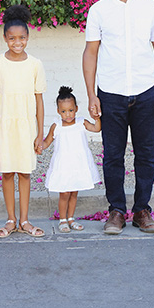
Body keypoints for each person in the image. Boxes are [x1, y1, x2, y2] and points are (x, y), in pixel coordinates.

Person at [82, 0, 154, 235]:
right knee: (112, 155)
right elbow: (91, 53)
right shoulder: (98, 10)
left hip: (146, 92)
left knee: (146, 154)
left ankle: (142, 211)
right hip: (110, 93)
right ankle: (117, 211)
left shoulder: (150, 7)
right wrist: (91, 95)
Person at [0, 5, 47, 238]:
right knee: (7, 172)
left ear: (28, 37)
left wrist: (40, 133)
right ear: (5, 38)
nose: (17, 42)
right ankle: (10, 219)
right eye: (12, 38)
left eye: (21, 38)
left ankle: (25, 220)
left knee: (25, 173)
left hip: (27, 127)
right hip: (4, 126)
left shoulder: (35, 64)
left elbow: (39, 101)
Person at [38, 86, 102, 232]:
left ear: (76, 108)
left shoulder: (81, 123)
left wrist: (97, 119)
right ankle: (62, 220)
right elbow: (47, 142)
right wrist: (40, 146)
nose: (68, 114)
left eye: (71, 110)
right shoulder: (57, 126)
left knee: (74, 192)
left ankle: (71, 218)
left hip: (78, 163)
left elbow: (96, 129)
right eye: (64, 111)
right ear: (58, 111)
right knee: (64, 193)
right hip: (64, 164)